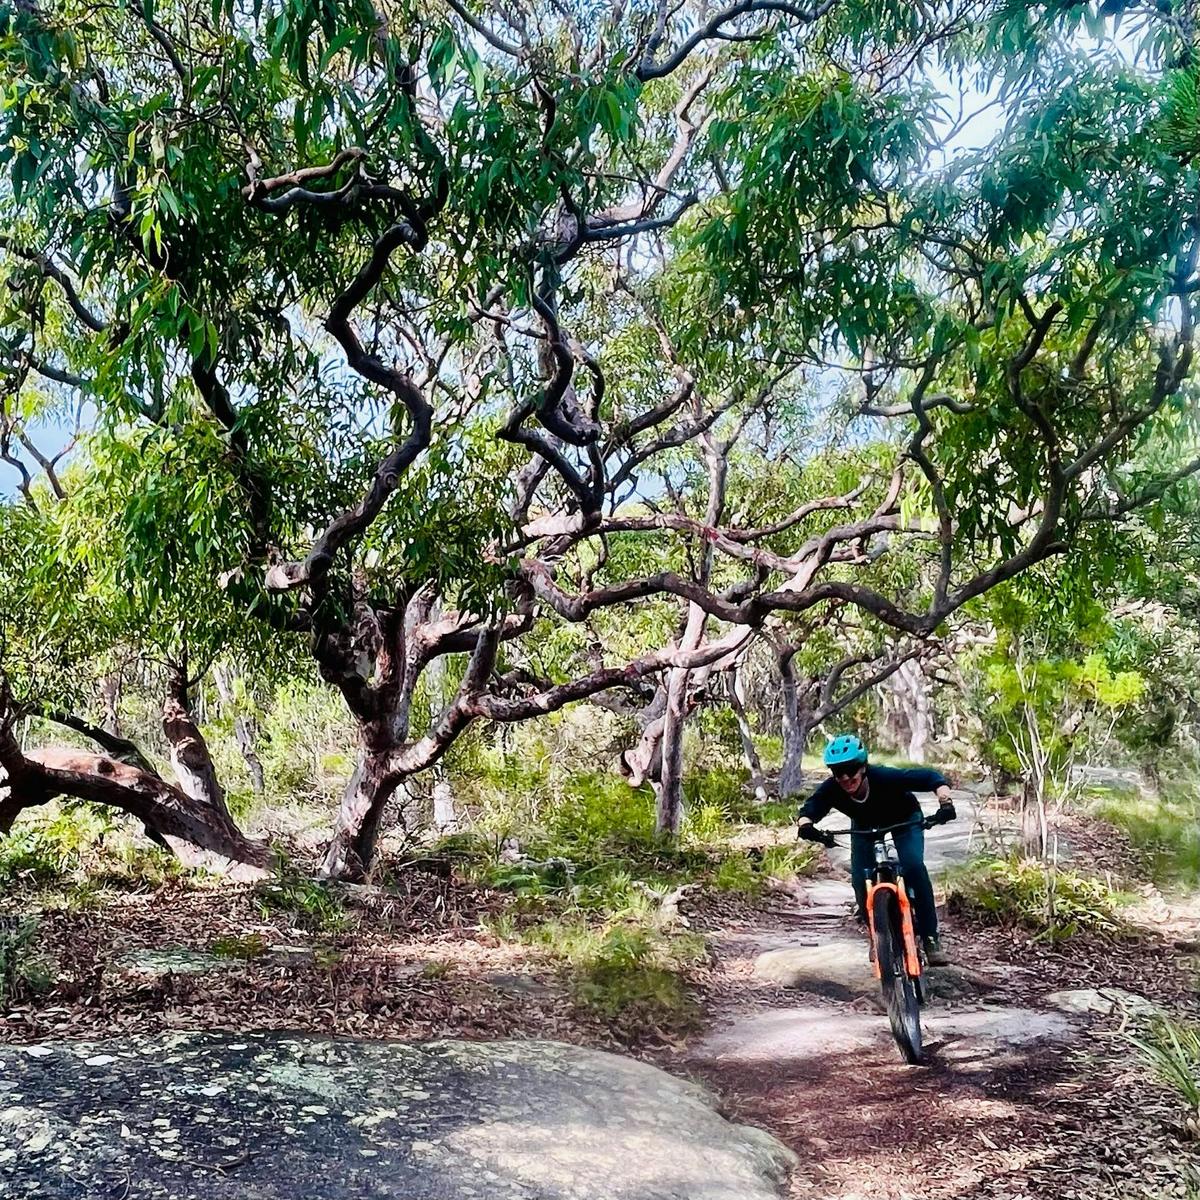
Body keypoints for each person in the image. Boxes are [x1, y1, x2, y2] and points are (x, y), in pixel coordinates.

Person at [796, 733, 956, 965]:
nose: (845, 778)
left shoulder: (884, 777)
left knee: (913, 866)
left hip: (904, 818)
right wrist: (806, 826)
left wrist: (945, 802)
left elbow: (931, 778)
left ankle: (931, 938)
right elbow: (811, 808)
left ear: (863, 767)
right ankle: (877, 936)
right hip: (865, 826)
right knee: (860, 879)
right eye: (838, 772)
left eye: (851, 769)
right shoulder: (832, 788)